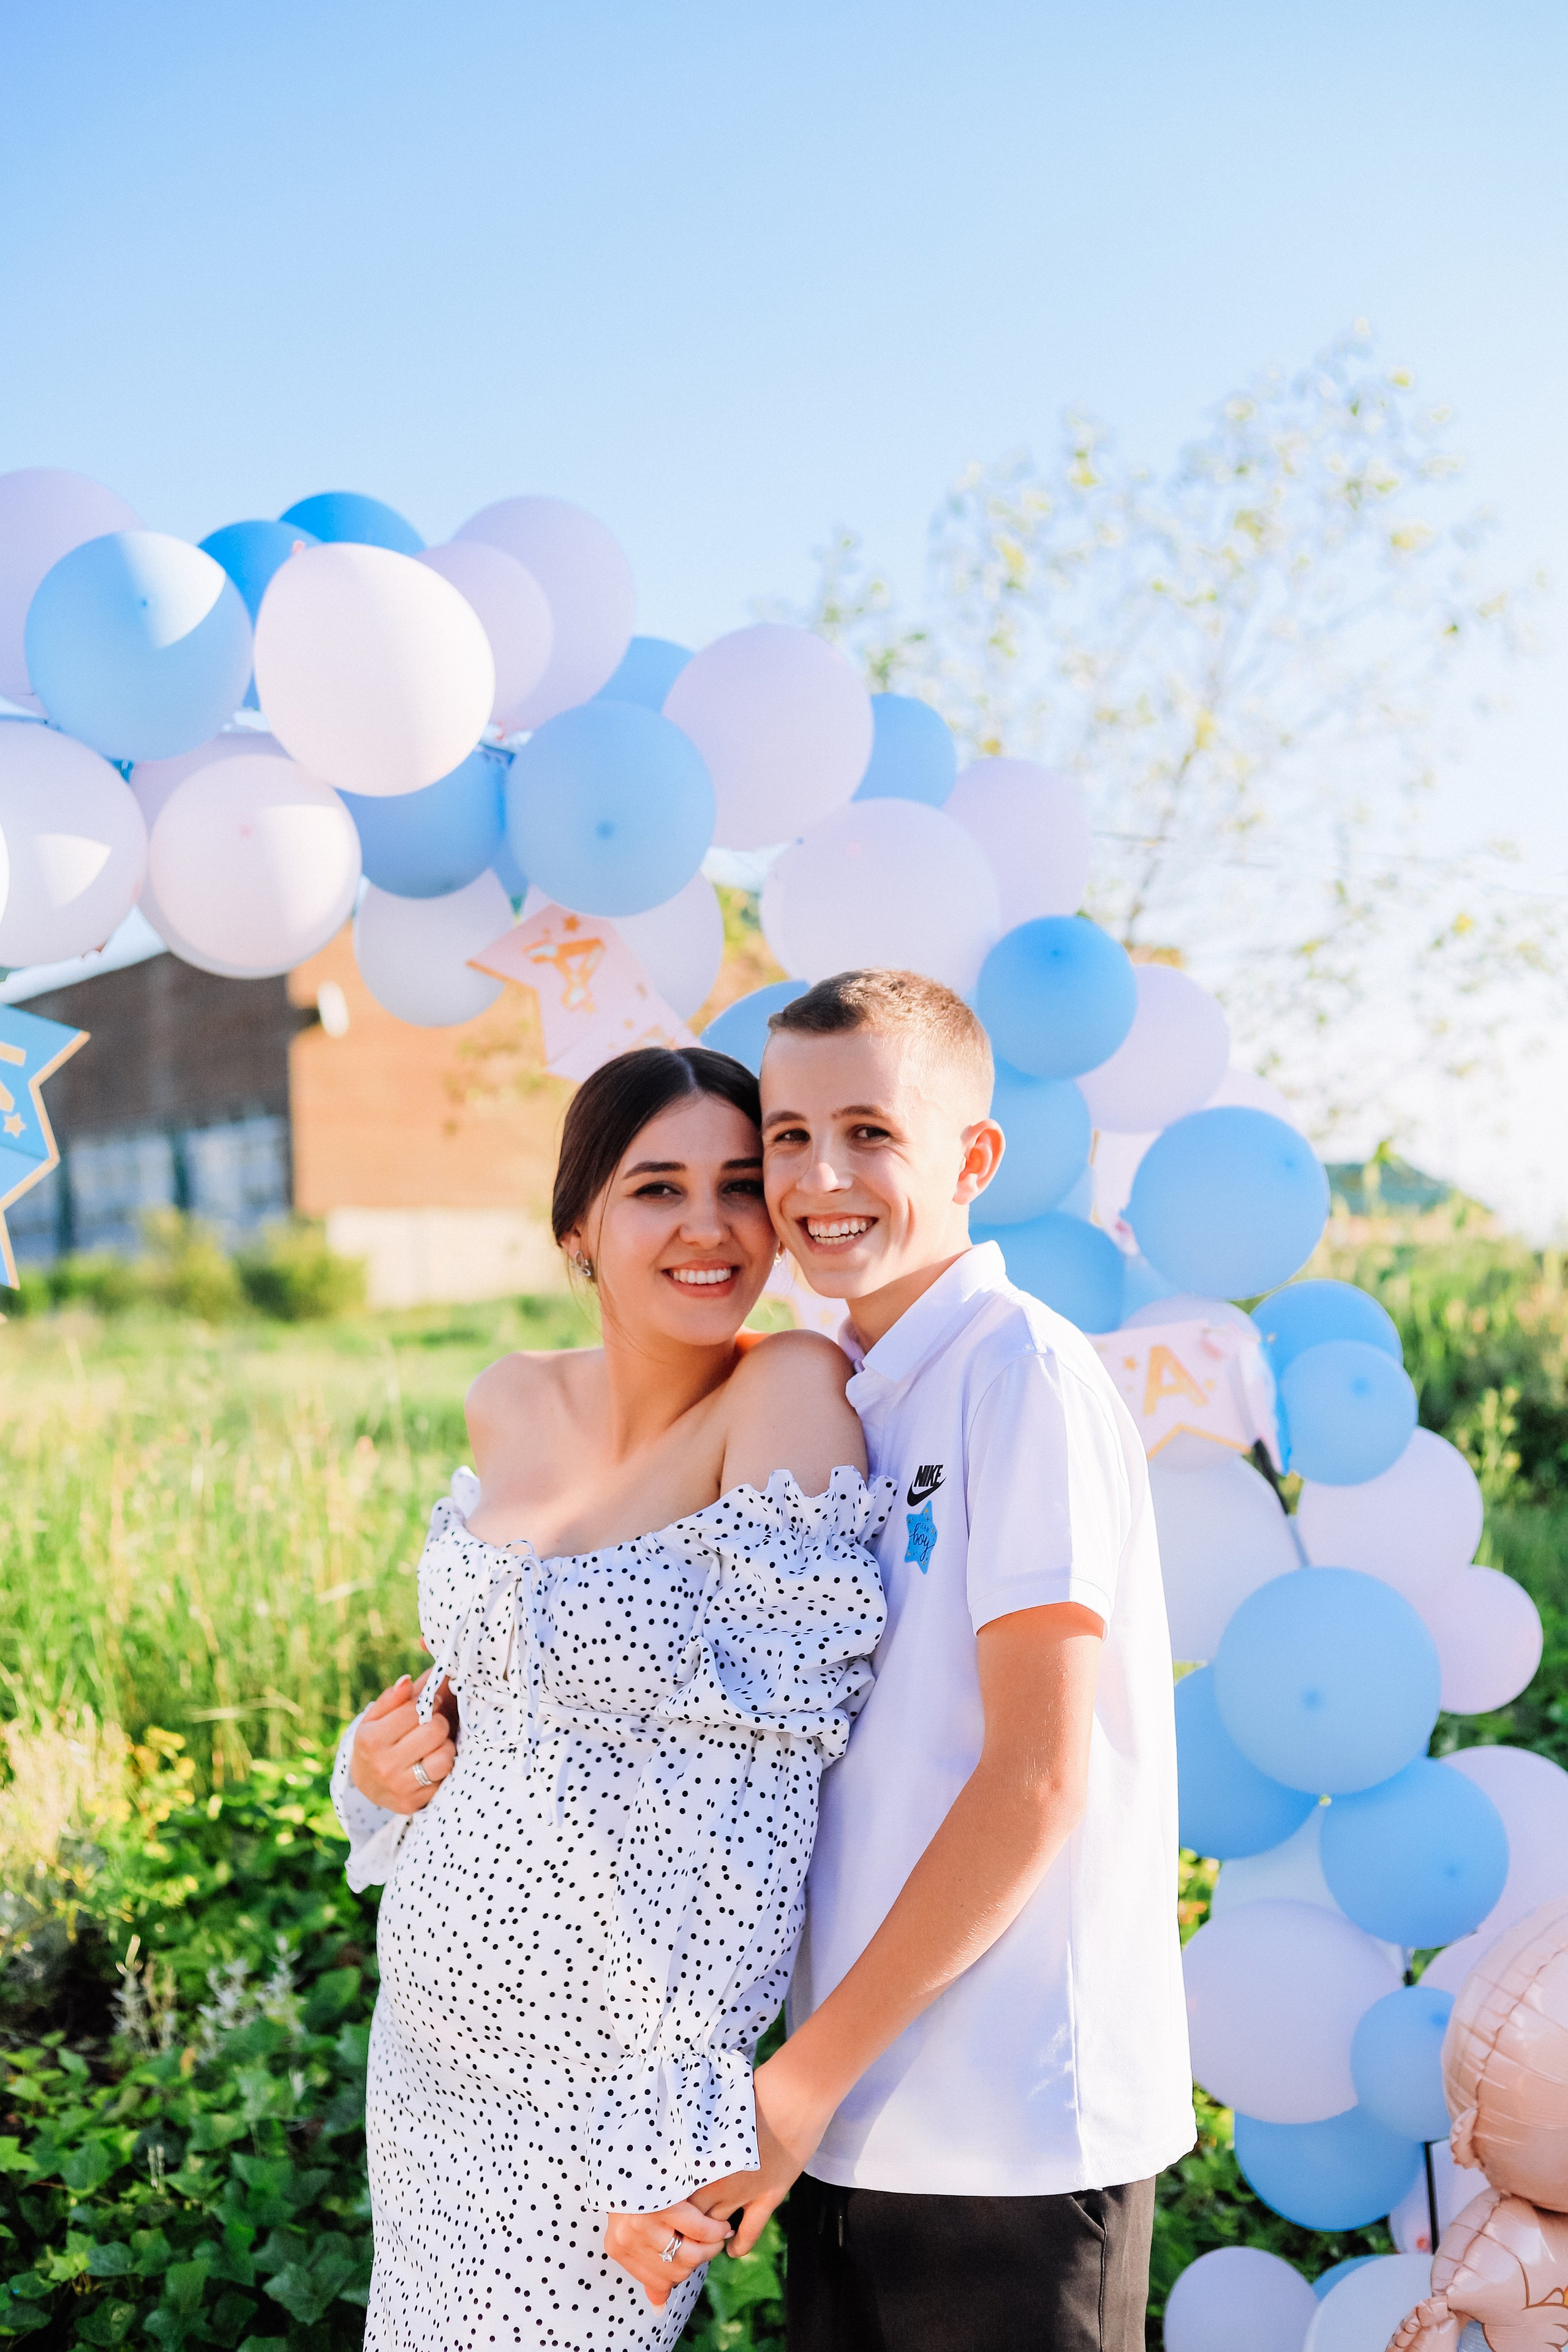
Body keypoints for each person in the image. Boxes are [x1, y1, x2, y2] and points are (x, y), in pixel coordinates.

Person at [331, 1043, 889, 2352]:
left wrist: (674, 2143)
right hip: (426, 2064)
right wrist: (369, 1772)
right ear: (578, 1225)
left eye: (740, 1184)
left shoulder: (785, 1396)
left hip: (598, 2119)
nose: (708, 1226)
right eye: (656, 1189)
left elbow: (755, 1806)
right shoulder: (507, 1400)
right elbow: (493, 1709)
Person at [692, 968, 1194, 2352]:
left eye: (869, 1131)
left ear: (972, 1157)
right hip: (859, 2118)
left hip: (1009, 2137)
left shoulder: (1015, 1371)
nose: (817, 1176)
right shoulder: (844, 1390)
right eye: (785, 1137)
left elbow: (1034, 1782)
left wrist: (795, 2088)